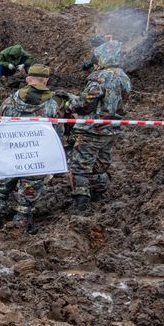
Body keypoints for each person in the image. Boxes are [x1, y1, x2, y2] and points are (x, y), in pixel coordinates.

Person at [0, 64, 66, 234]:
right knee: (27, 198)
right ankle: (19, 232)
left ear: (28, 79)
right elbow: (57, 134)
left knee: (0, 192)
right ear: (45, 81)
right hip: (35, 157)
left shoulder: (10, 101)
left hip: (11, 154)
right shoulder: (51, 106)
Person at [69, 40, 131, 213]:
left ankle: (81, 205)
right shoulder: (124, 77)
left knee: (80, 166)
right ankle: (99, 198)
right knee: (101, 165)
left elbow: (85, 103)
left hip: (92, 129)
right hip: (112, 128)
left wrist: (71, 104)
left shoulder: (100, 77)